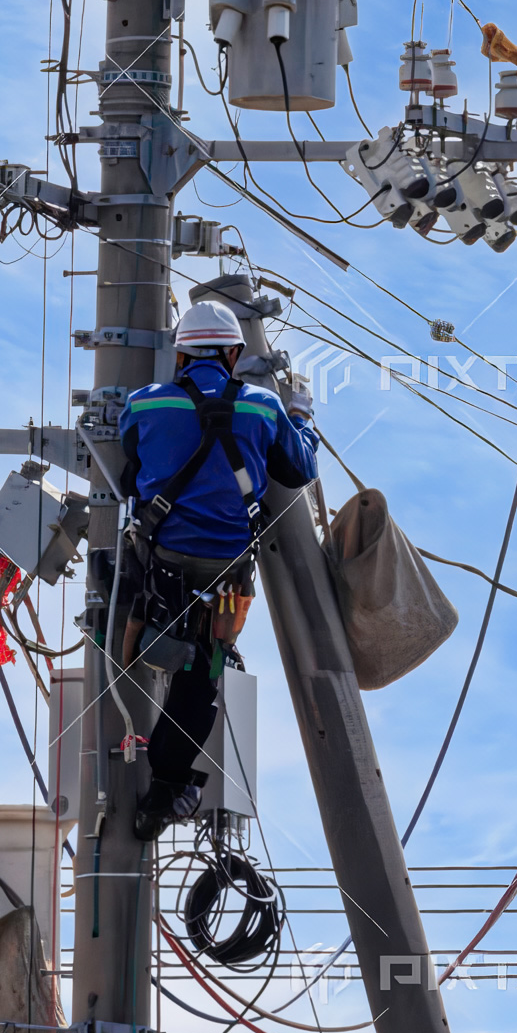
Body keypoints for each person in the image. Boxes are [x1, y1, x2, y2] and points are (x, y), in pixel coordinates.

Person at [116, 299, 318, 840]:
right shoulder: (263, 407)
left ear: (181, 355)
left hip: (163, 562)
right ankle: (164, 791)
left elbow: (133, 473)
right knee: (202, 676)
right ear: (234, 354)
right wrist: (301, 415)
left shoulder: (141, 404)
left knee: (155, 621)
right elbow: (298, 471)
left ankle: (138, 637)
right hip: (224, 570)